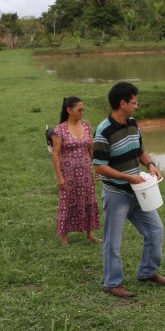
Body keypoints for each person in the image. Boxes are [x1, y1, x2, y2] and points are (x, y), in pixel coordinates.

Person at [93, 82, 165, 298]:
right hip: (117, 193)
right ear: (123, 103)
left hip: (138, 191)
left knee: (155, 230)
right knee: (113, 241)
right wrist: (128, 177)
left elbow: (140, 150)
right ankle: (112, 283)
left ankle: (147, 272)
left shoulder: (133, 123)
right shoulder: (103, 131)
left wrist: (151, 165)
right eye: (134, 102)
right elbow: (99, 166)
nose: (137, 106)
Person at [51, 96, 101, 246]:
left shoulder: (86, 126)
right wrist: (59, 176)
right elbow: (56, 154)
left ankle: (90, 233)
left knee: (88, 200)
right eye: (79, 110)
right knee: (67, 202)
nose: (82, 112)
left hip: (86, 173)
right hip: (68, 174)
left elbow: (91, 148)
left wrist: (97, 168)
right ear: (69, 110)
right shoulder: (59, 130)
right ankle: (64, 237)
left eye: (83, 110)